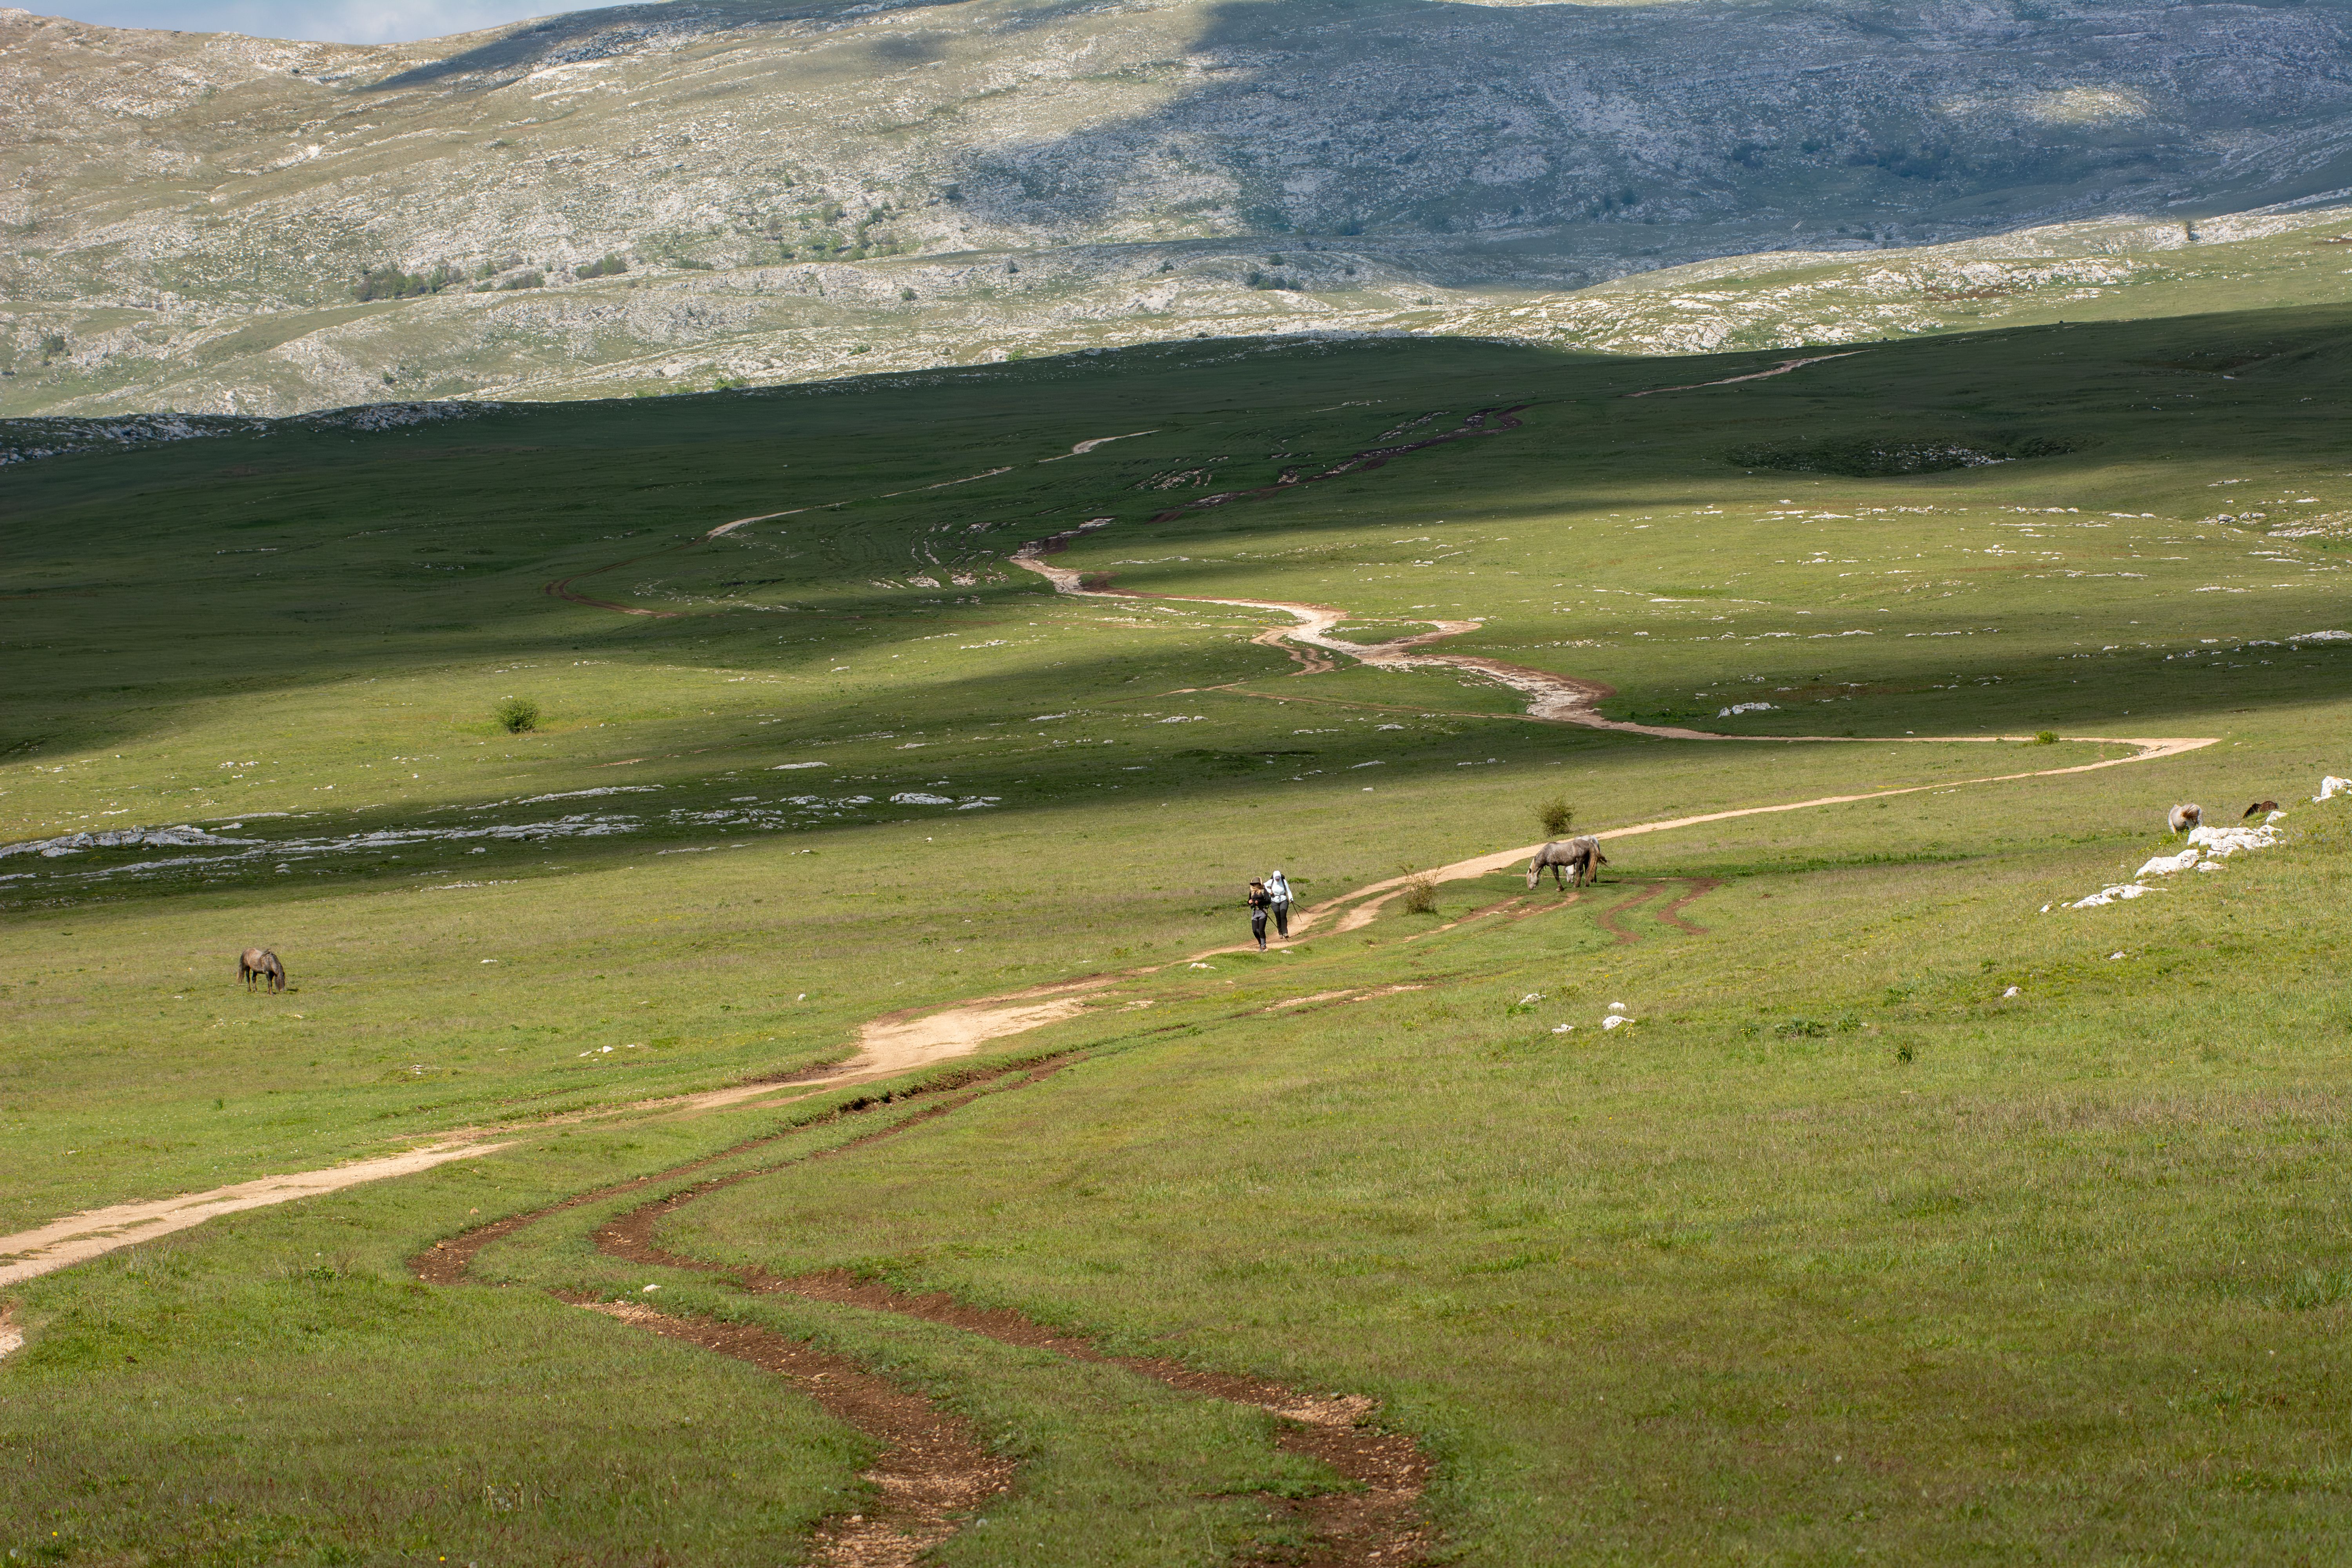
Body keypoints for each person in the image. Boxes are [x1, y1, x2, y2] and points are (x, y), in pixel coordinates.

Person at [1264, 869, 1293, 940]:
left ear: (1280, 877)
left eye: (1278, 878)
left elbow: (1289, 891)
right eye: (1276, 878)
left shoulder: (1284, 882)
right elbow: (1263, 886)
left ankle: (1285, 932)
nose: (1277, 880)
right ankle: (1280, 933)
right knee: (1278, 916)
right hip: (1274, 901)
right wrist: (1269, 891)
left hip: (1284, 900)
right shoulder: (1271, 882)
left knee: (1283, 915)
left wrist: (1291, 899)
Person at [1246, 879, 1273, 950]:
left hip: (1263, 911)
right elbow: (1249, 900)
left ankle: (1263, 946)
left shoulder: (1264, 890)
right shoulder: (1252, 891)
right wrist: (1249, 902)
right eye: (1254, 884)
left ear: (1259, 884)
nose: (1255, 885)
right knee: (1255, 931)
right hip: (1255, 912)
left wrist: (1260, 902)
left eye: (1257, 884)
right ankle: (1261, 943)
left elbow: (1268, 901)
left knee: (1261, 930)